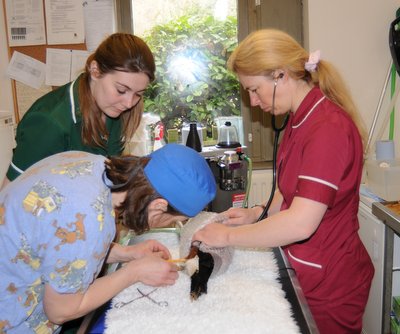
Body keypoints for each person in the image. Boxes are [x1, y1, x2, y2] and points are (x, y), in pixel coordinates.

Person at [193, 29, 374, 334]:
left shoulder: (327, 128)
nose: (252, 101)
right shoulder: (298, 119)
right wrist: (255, 214)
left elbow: (301, 223)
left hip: (330, 282)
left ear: (280, 75)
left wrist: (226, 236)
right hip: (304, 268)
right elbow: (287, 192)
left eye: (254, 89)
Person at [0, 143, 216, 333]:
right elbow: (61, 311)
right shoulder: (89, 217)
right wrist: (134, 272)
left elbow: (57, 245)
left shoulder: (91, 164)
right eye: (172, 220)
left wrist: (128, 253)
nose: (168, 225)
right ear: (158, 206)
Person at [2, 32, 155, 189]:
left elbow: (106, 175)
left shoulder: (113, 109)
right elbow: (8, 196)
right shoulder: (49, 121)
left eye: (138, 94)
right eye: (121, 90)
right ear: (95, 71)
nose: (129, 103)